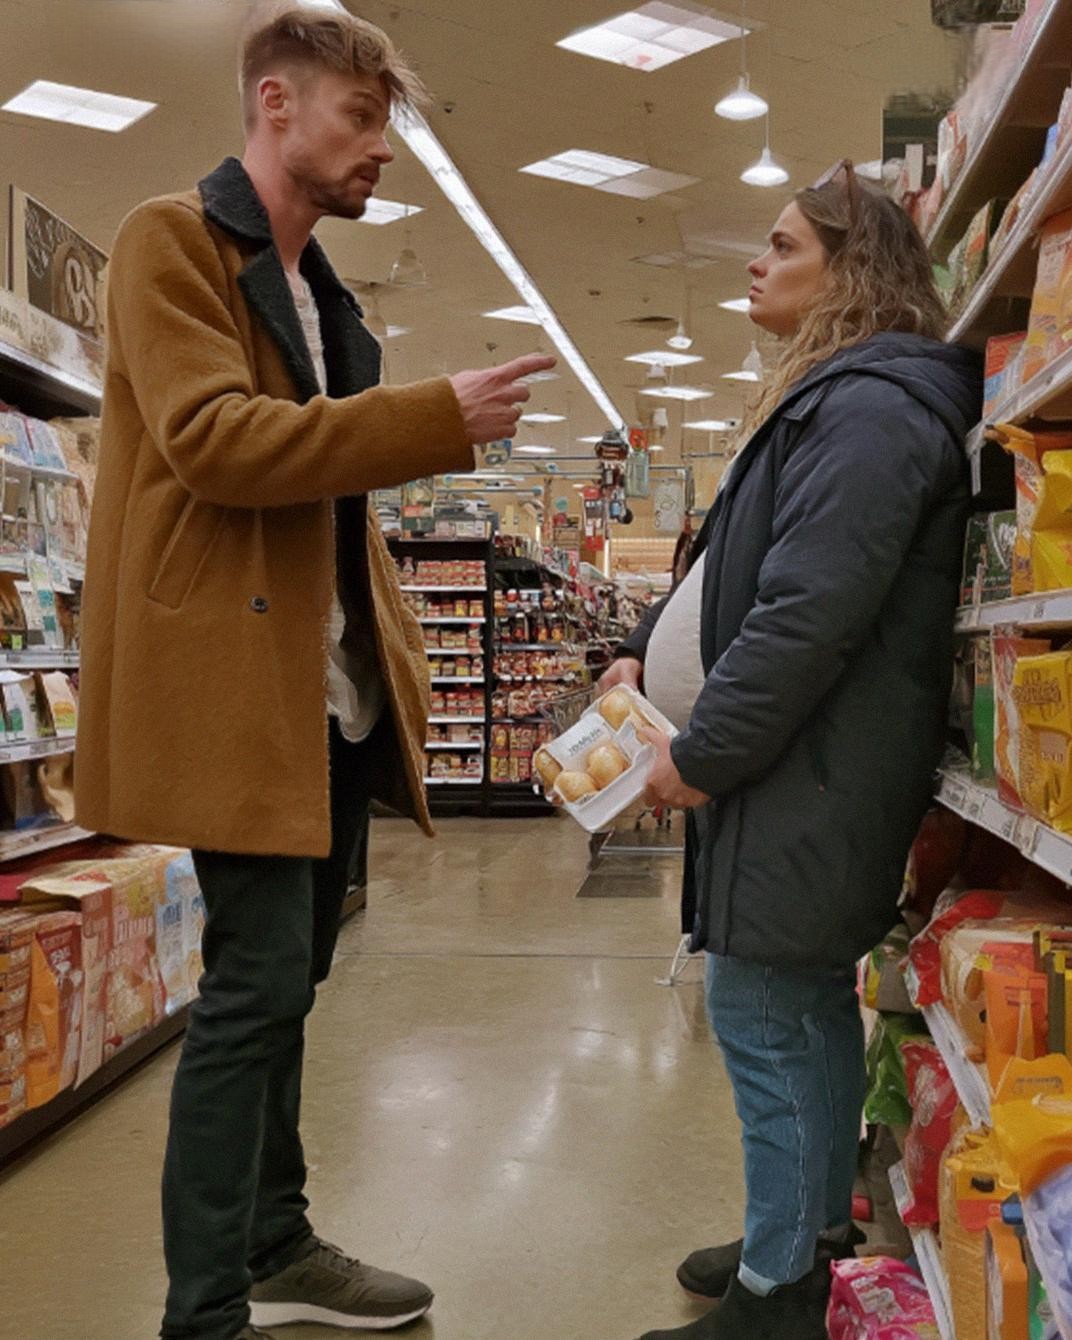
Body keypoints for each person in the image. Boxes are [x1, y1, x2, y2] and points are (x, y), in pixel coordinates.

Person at [73, 8, 554, 1339]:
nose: (381, 148)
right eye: (361, 116)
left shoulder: (322, 295)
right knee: (252, 991)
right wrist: (432, 419)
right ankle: (204, 1308)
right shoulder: (172, 241)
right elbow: (215, 440)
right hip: (234, 682)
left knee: (292, 982)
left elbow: (323, 490)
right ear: (274, 103)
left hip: (326, 693)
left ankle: (275, 1238)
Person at [599, 162, 981, 1340]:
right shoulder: (838, 397)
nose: (754, 263)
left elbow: (810, 610)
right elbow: (742, 575)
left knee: (762, 1010)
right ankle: (803, 1235)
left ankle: (777, 1293)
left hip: (807, 771)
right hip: (795, 769)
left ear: (849, 268)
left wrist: (706, 750)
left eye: (782, 244)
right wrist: (645, 649)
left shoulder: (871, 407)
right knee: (796, 1005)